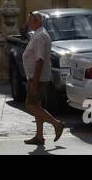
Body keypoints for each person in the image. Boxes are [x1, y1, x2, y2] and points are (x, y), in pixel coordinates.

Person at [22, 12, 64, 146]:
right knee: (37, 105)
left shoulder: (40, 37)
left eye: (29, 21)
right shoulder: (39, 34)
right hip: (37, 77)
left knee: (31, 105)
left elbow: (39, 60)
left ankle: (56, 124)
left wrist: (34, 81)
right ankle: (39, 136)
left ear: (36, 21)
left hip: (37, 78)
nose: (28, 23)